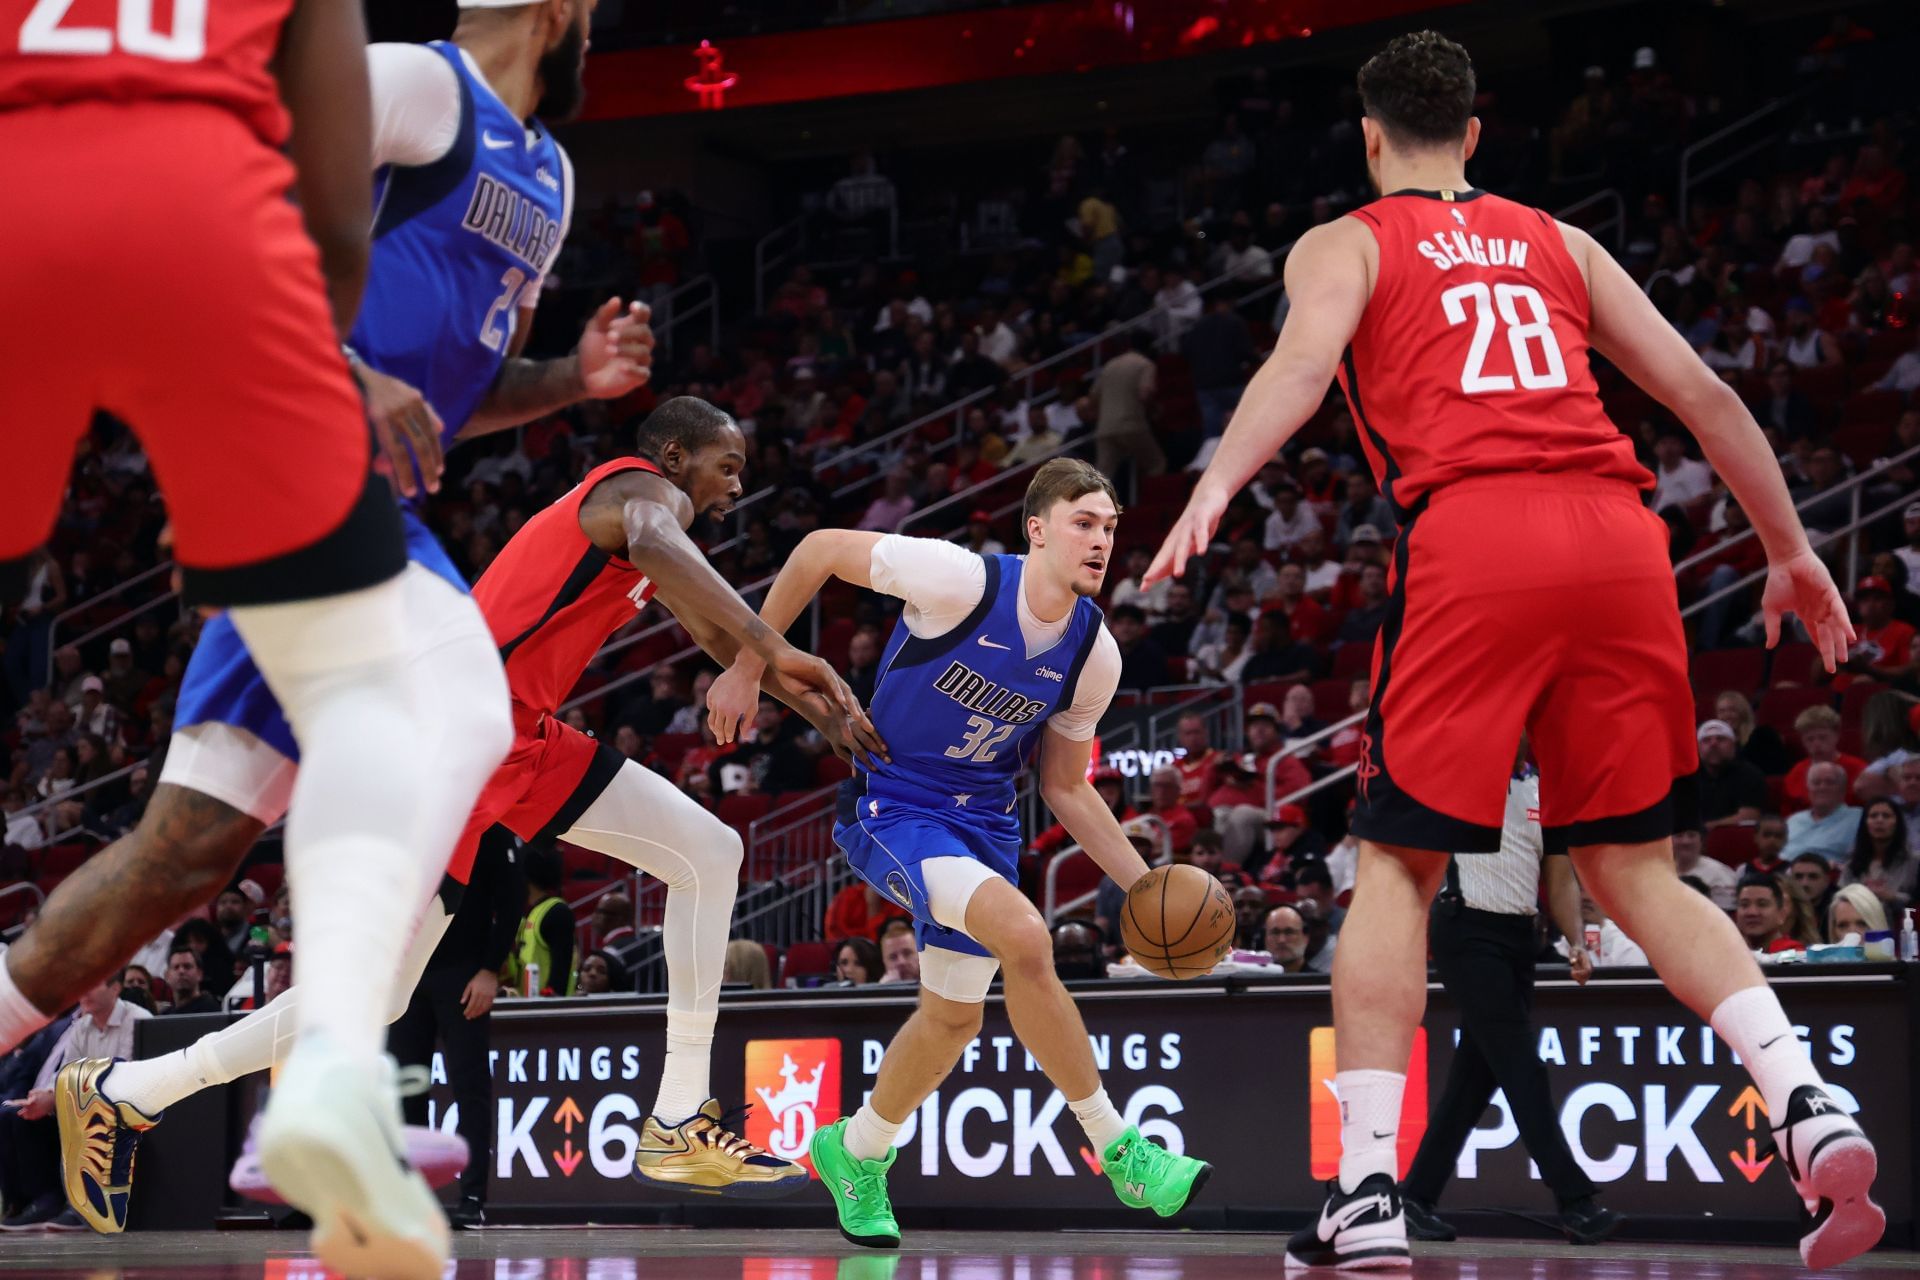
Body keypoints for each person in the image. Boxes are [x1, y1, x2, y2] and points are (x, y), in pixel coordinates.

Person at [1146, 32, 1880, 1270]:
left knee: (1397, 865)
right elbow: (1703, 393)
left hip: (1477, 536)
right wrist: (1791, 548)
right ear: (1474, 133)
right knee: (1636, 870)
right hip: (1621, 540)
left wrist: (1217, 482)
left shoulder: (1346, 240)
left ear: (1369, 137)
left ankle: (1366, 1188)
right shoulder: (1562, 240)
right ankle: (1805, 1096)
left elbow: (1303, 364)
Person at [9, 1, 659, 1262]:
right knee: (464, 699)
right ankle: (329, 1080)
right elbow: (220, 199)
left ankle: (300, 1080)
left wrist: (570, 382)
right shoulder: (415, 81)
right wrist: (341, 369)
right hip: (286, 434)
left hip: (359, 493)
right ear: (561, 10)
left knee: (175, 860)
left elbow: (454, 393)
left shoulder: (550, 175)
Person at [54, 399, 873, 1225]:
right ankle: (129, 1089)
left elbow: (720, 640)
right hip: (449, 737)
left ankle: (678, 1121)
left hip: (517, 738)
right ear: (672, 456)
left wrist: (827, 716)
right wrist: (776, 646)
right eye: (726, 466)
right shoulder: (638, 494)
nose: (737, 485)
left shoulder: (654, 540)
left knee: (709, 852)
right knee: (371, 997)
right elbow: (668, 550)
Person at [707, 459, 1210, 1248]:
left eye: (1110, 527)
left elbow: (1065, 787)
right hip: (894, 804)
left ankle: (855, 1151)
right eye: (1083, 522)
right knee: (1027, 937)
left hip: (985, 825)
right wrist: (747, 666)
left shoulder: (1095, 655)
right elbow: (816, 549)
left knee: (950, 1019)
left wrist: (1147, 887)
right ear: (1037, 529)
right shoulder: (958, 581)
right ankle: (1120, 1149)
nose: (1101, 541)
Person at [1401, 765, 1619, 1246]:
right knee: (1522, 1066)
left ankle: (1413, 1199)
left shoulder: (1547, 791)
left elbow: (1559, 876)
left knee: (1474, 1079)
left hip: (1521, 936)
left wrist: (1576, 942)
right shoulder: (1461, 774)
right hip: (1466, 929)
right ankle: (1575, 1202)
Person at [389, 827, 524, 1228]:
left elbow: (512, 901)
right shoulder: (410, 823)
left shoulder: (489, 826)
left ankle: (472, 1197)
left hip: (464, 972)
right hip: (408, 975)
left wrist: (490, 969)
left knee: (470, 1088)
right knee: (406, 1089)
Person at [1841, 798, 1917, 914]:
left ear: (1897, 823)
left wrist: (1892, 897)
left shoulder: (1914, 862)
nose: (1879, 820)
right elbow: (1841, 896)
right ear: (1865, 823)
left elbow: (1916, 903)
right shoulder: (1852, 862)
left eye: (1886, 816)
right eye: (1873, 816)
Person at [1784, 762, 1863, 861]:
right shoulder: (1793, 820)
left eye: (1830, 782)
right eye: (1816, 783)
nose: (1822, 787)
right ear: (1808, 789)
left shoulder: (1859, 818)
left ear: (1843, 789)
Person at [1696, 720, 1767, 829]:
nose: (1713, 744)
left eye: (1721, 739)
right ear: (1698, 748)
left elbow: (1749, 816)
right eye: (1706, 740)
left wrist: (1705, 828)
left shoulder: (1750, 775)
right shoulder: (1686, 778)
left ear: (1733, 745)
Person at [1672, 827, 1740, 911]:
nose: (1685, 841)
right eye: (1679, 836)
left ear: (1702, 840)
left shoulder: (1720, 873)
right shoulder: (1659, 870)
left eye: (1691, 835)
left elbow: (1726, 913)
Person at [1262, 906, 1310, 973]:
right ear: (1265, 938)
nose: (1281, 940)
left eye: (1289, 932)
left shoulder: (1321, 979)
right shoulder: (1252, 979)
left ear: (1305, 939)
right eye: (1275, 933)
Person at [877, 919, 921, 985]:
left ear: (920, 954)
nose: (901, 962)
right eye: (893, 957)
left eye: (907, 953)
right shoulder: (878, 989)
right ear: (884, 962)